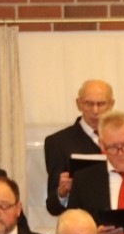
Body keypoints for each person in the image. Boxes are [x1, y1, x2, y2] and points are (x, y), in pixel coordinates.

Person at [43, 79, 114, 215]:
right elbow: (53, 206)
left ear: (111, 104)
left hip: (120, 220)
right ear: (79, 104)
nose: (95, 110)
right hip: (81, 222)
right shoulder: (58, 142)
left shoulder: (122, 139)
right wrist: (62, 193)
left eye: (101, 104)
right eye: (89, 103)